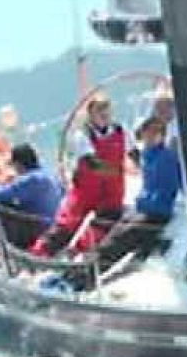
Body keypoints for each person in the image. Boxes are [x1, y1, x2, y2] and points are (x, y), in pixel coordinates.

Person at [68, 116, 183, 290]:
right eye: (147, 132)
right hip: (142, 208)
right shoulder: (147, 155)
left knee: (119, 239)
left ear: (162, 135)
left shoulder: (166, 157)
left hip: (156, 212)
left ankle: (85, 277)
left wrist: (148, 204)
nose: (150, 136)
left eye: (156, 133)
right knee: (114, 233)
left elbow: (170, 187)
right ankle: (83, 269)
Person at [30, 94, 127, 256]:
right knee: (68, 223)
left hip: (112, 191)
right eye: (99, 110)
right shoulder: (83, 135)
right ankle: (39, 253)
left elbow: (134, 153)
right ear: (91, 114)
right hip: (86, 189)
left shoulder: (121, 131)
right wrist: (115, 171)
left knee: (105, 223)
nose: (104, 114)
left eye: (106, 109)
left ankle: (77, 253)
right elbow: (91, 163)